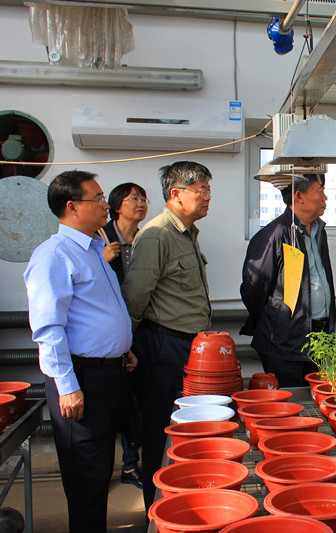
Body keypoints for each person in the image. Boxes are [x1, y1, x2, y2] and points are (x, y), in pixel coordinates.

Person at [24, 170, 137, 533]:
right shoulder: (53, 255)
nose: (106, 205)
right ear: (72, 207)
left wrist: (123, 349)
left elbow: (97, 312)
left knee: (102, 467)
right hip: (81, 378)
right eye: (98, 199)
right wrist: (68, 387)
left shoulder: (93, 250)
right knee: (87, 477)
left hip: (111, 373)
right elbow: (48, 328)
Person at [122, 161, 212, 510]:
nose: (207, 197)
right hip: (163, 347)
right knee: (160, 432)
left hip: (189, 347)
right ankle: (156, 512)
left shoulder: (187, 233)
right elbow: (135, 297)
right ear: (176, 194)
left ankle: (189, 506)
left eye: (208, 190)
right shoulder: (156, 235)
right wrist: (127, 348)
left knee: (192, 431)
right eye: (201, 190)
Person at [240, 174, 336, 386]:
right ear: (299, 196)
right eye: (320, 192)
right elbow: (254, 290)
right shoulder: (274, 235)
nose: (325, 198)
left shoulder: (319, 230)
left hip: (318, 336)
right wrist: (277, 321)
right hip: (284, 341)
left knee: (315, 395)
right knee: (291, 399)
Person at [101, 182, 149, 489]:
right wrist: (102, 261)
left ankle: (131, 463)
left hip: (142, 328)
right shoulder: (100, 239)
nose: (141, 203)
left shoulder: (148, 238)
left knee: (138, 397)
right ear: (118, 206)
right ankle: (110, 467)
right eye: (134, 198)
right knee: (112, 401)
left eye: (144, 198)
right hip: (109, 332)